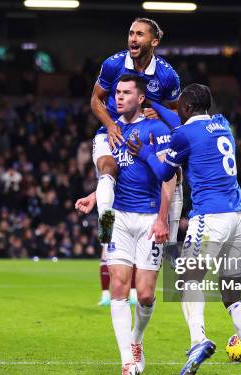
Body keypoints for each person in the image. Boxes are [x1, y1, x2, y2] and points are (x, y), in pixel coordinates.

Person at [127, 84, 241, 375]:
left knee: (189, 279)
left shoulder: (183, 135)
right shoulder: (222, 124)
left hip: (210, 216)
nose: (177, 108)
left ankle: (198, 340)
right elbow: (182, 123)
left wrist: (144, 153)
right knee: (233, 297)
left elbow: (165, 173)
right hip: (238, 217)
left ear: (189, 106)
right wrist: (158, 105)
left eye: (181, 104)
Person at [76, 74, 176, 375]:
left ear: (141, 97)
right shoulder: (108, 132)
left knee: (145, 294)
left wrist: (162, 219)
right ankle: (125, 362)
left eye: (126, 92)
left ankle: (137, 340)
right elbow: (112, 170)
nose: (118, 97)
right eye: (116, 92)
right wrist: (97, 195)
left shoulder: (156, 129)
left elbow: (168, 177)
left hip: (149, 218)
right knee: (119, 287)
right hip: (118, 216)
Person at [89, 17, 181, 244]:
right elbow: (95, 100)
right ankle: (106, 224)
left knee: (174, 175)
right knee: (108, 167)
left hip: (147, 136)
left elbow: (179, 114)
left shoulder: (167, 75)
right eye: (131, 33)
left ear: (154, 41)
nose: (133, 38)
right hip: (114, 132)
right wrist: (110, 125)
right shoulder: (114, 64)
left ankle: (169, 240)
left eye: (140, 34)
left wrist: (160, 114)